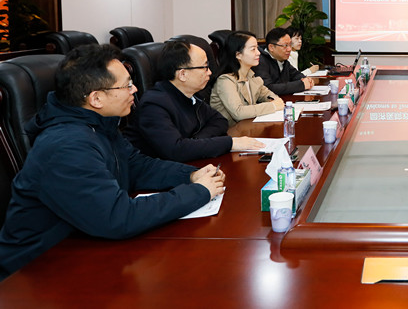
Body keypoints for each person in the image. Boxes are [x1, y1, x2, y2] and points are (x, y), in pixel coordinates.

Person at [0, 44, 225, 280]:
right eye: (126, 85)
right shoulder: (66, 146)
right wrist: (198, 192)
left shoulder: (99, 124)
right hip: (33, 274)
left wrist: (190, 175)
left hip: (84, 249)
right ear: (96, 98)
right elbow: (118, 218)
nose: (135, 89)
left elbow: (137, 166)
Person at [124, 40, 264, 162]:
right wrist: (230, 143)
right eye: (204, 67)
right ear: (182, 74)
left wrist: (196, 141)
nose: (210, 72)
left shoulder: (190, 95)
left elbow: (219, 120)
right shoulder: (154, 104)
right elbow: (176, 150)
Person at [210, 30, 284, 125]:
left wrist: (274, 101)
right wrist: (272, 106)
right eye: (253, 49)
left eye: (257, 48)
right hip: (230, 131)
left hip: (248, 127)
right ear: (238, 55)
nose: (258, 53)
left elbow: (269, 96)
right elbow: (239, 112)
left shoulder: (251, 76)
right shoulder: (225, 81)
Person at [252, 27, 314, 96]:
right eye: (285, 45)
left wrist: (306, 79)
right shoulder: (259, 61)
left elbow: (295, 74)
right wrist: (301, 85)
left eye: (290, 44)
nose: (289, 49)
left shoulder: (282, 59)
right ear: (271, 47)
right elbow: (267, 88)